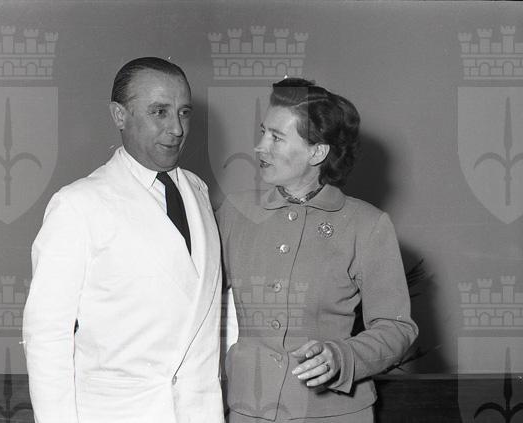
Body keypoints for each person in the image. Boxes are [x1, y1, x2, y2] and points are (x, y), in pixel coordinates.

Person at [23, 57, 224, 423]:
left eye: (184, 112)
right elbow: (46, 335)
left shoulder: (198, 191)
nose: (177, 128)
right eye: (159, 112)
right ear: (119, 115)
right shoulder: (78, 204)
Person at [217, 78, 418, 422]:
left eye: (276, 137)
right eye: (264, 132)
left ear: (317, 152)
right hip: (250, 409)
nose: (260, 146)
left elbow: (397, 327)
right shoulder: (234, 213)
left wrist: (342, 357)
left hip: (334, 413)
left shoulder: (366, 224)